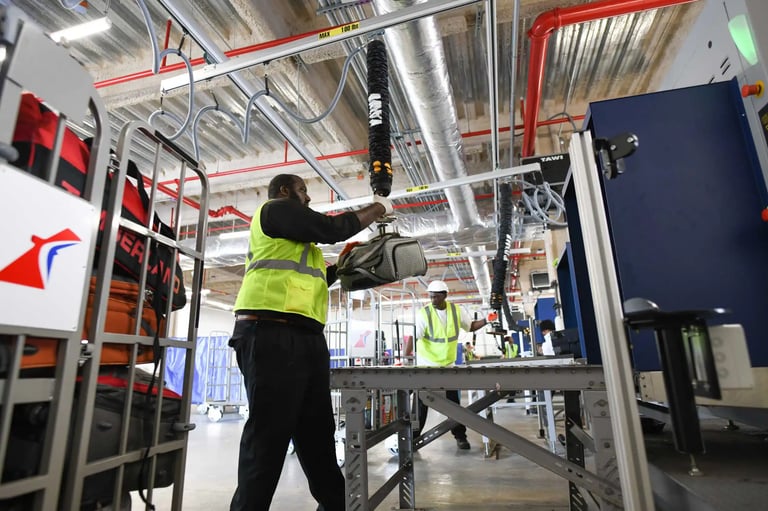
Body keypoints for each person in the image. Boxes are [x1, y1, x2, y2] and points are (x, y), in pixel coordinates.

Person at [229, 173, 393, 511]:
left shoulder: (302, 245)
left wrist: (342, 266)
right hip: (270, 331)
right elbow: (331, 228)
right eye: (303, 191)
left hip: (305, 338)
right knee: (269, 438)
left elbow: (316, 281)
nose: (307, 198)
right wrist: (377, 209)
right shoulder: (274, 210)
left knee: (318, 433)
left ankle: (336, 505)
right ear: (286, 190)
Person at [413, 279, 490, 450]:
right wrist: (405, 359)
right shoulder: (423, 313)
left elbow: (470, 327)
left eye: (436, 297)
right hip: (426, 365)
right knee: (420, 405)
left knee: (453, 404)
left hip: (447, 364)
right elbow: (413, 337)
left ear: (445, 296)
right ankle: (413, 440)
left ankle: (460, 436)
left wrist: (487, 320)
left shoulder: (456, 311)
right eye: (431, 297)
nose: (433, 300)